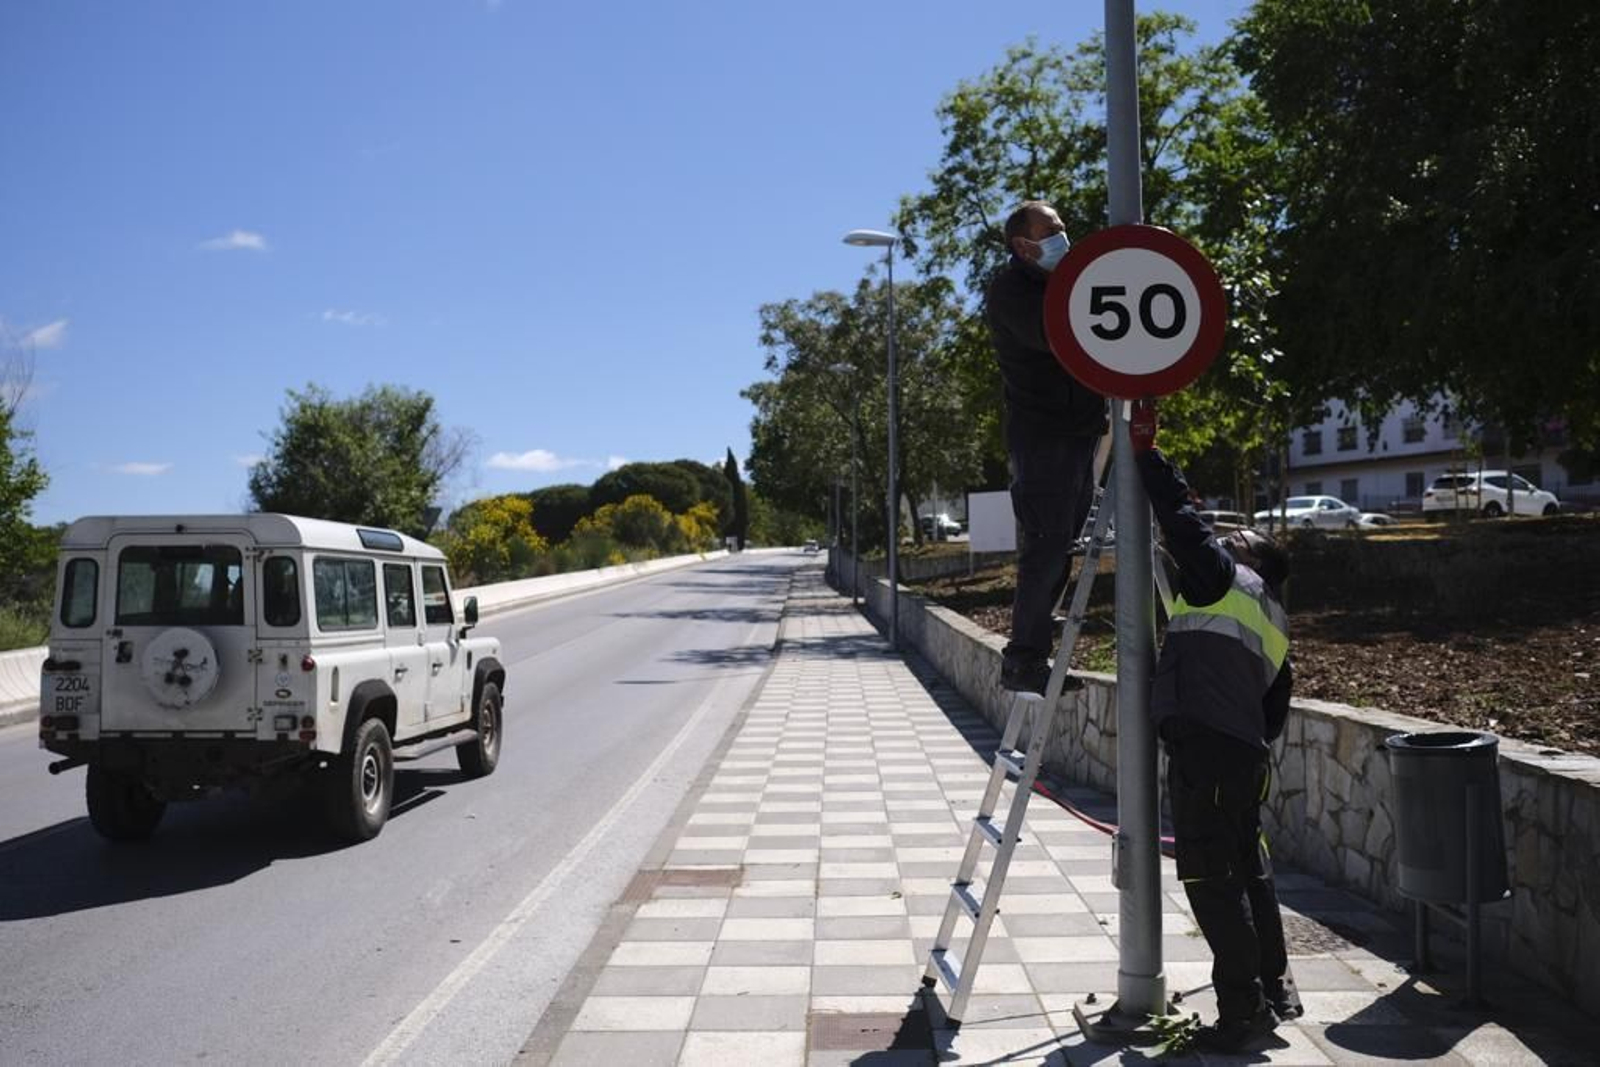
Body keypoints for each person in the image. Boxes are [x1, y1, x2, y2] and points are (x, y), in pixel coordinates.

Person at [1129, 398, 1301, 1053]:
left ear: (1254, 559)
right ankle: (1274, 991)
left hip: (1206, 753)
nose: (1229, 537)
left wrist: (1146, 451)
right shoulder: (1278, 624)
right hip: (1244, 758)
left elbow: (1181, 520)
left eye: (1240, 539)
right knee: (1249, 873)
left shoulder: (1224, 576)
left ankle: (1243, 1014)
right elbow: (1273, 717)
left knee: (1210, 879)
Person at [986, 201, 1108, 694]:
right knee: (1045, 547)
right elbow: (1060, 335)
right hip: (1043, 439)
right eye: (1053, 231)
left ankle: (1034, 653)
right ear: (1023, 245)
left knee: (1061, 547)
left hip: (1081, 432)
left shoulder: (1064, 284)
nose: (1065, 237)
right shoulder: (1011, 290)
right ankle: (1024, 660)